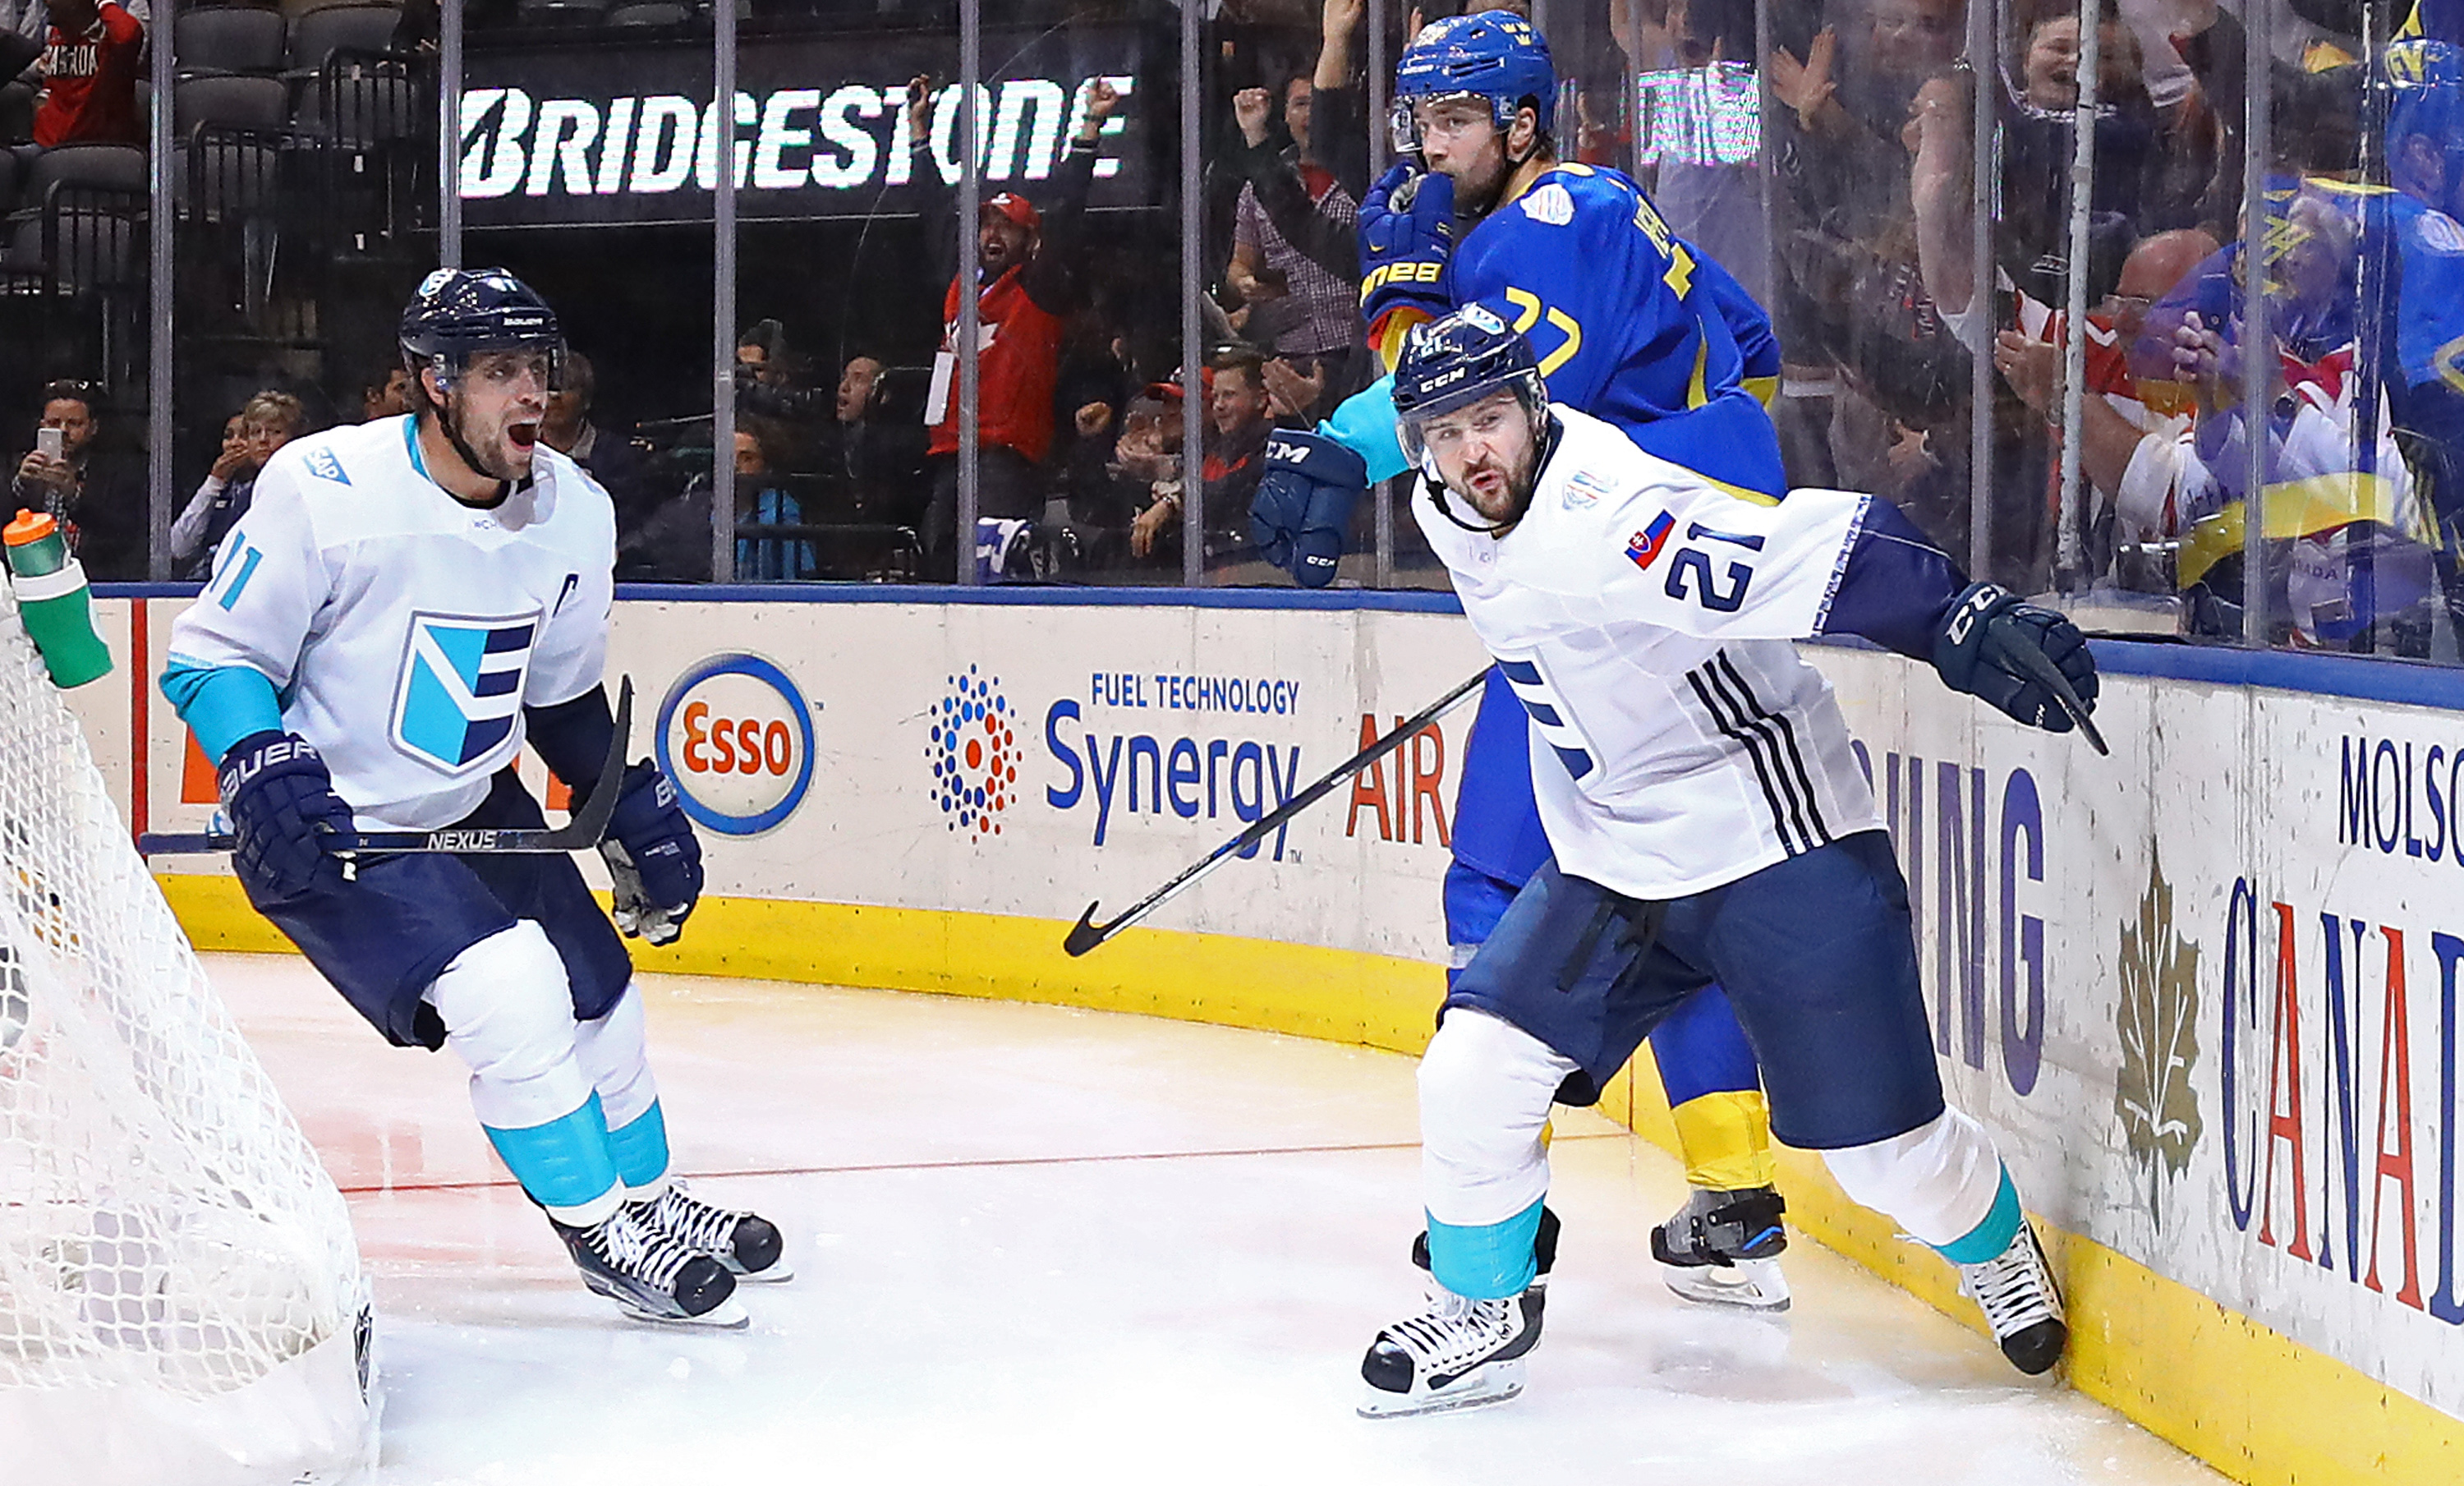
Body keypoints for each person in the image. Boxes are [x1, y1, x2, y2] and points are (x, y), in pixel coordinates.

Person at [1361, 308, 2092, 1415]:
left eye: (1495, 421)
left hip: (1773, 838)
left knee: (1885, 1159)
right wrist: (1331, 452)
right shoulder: (1448, 493)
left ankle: (1988, 1241)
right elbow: (1400, 411)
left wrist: (1949, 614)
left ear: (1537, 411)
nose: (1477, 454)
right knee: (1472, 1073)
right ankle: (1485, 1309)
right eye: (1449, 434)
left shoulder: (1610, 521)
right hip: (1615, 858)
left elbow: (1801, 552)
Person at [1253, 9, 1801, 1311]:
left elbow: (1456, 397)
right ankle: (1733, 1198)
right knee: (1662, 889)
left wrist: (1360, 393)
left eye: (1453, 122)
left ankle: (1492, 1215)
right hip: (1666, 592)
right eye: (1422, 124)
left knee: (1495, 880)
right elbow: (1756, 358)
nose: (1432, 150)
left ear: (1520, 121)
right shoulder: (1608, 208)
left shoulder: (1537, 231)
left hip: (1615, 599)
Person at [157, 269, 788, 1327]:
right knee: (512, 992)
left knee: (601, 989)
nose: (531, 394)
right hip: (337, 823)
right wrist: (258, 759)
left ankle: (649, 1197)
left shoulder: (576, 513)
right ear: (433, 384)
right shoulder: (326, 486)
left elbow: (559, 696)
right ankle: (600, 1229)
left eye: (537, 368)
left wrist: (624, 795)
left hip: (474, 800)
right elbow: (211, 660)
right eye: (499, 371)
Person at [908, 74, 1119, 577]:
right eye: (985, 223)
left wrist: (1088, 130)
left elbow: (1067, 212)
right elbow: (936, 211)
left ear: (1031, 242)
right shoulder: (961, 281)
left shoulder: (1037, 287)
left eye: (1007, 226)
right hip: (949, 454)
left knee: (994, 575)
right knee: (936, 567)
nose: (992, 233)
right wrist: (920, 134)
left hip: (1005, 459)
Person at [170, 390, 308, 580]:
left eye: (274, 432)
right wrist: (215, 481)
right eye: (254, 433)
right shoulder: (224, 490)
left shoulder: (298, 486)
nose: (263, 440)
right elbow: (179, 547)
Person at [11, 378, 141, 578]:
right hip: (30, 580)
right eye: (54, 423)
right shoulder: (20, 467)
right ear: (42, 425)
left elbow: (123, 537)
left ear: (93, 428)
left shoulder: (118, 474)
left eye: (74, 423)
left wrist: (76, 497)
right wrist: (21, 486)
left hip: (94, 582)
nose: (63, 431)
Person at [28, 0, 139, 147]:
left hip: (97, 148)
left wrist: (103, 3)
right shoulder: (58, 31)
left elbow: (129, 33)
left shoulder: (110, 39)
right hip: (48, 144)